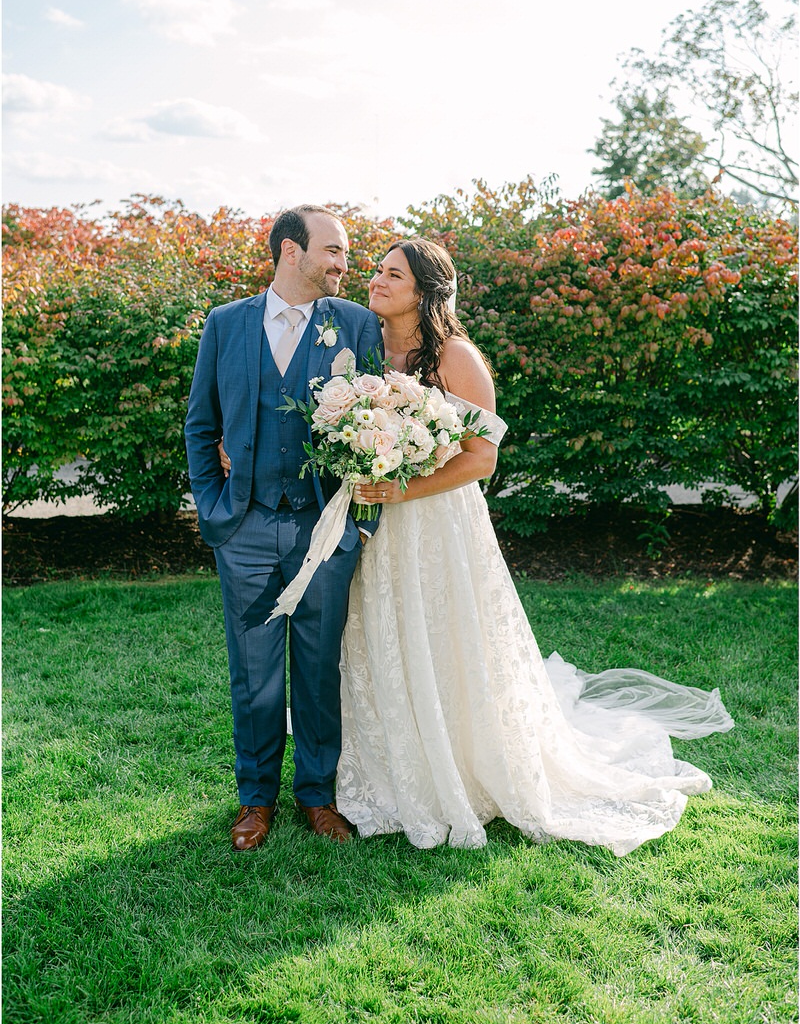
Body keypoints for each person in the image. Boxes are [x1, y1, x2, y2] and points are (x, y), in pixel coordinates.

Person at [335, 239, 734, 854]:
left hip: (436, 521)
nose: (377, 281)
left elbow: (482, 458)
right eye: (378, 270)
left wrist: (403, 488)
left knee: (445, 635)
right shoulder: (363, 345)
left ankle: (467, 766)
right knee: (385, 635)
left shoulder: (457, 357)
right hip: (378, 522)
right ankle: (393, 766)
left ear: (425, 291)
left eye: (393, 274)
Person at [185, 204, 383, 851]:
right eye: (333, 251)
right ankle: (256, 799)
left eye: (346, 255)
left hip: (325, 529)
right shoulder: (225, 324)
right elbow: (200, 425)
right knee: (255, 672)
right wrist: (216, 507)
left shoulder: (356, 325)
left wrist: (362, 520)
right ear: (290, 252)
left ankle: (318, 797)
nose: (343, 265)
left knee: (319, 669)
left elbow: (378, 424)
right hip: (244, 527)